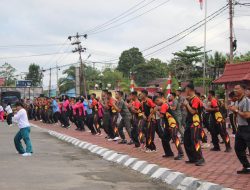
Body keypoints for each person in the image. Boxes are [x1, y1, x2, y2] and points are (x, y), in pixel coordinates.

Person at [154, 96, 184, 160]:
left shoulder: (164, 105)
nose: (157, 104)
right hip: (168, 125)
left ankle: (181, 153)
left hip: (172, 124)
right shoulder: (164, 104)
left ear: (158, 100)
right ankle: (169, 153)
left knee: (175, 138)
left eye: (156, 102)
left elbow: (161, 115)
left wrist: (156, 110)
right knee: (164, 139)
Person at [229, 84, 250, 174]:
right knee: (238, 148)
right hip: (240, 128)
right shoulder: (238, 101)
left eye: (237, 89)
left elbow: (247, 115)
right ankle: (247, 166)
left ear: (243, 90)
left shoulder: (247, 101)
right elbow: (238, 112)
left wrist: (236, 110)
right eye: (234, 89)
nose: (235, 90)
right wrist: (234, 110)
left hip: (247, 127)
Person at [183, 83, 205, 166]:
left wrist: (187, 104)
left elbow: (193, 111)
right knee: (186, 141)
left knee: (195, 140)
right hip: (189, 122)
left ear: (189, 90)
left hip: (195, 122)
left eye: (186, 89)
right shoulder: (190, 99)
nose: (185, 91)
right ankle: (192, 158)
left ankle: (200, 158)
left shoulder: (196, 99)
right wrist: (186, 103)